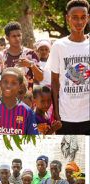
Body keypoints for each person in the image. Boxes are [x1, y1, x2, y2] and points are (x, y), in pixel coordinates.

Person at [48, 0, 90, 134]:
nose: (79, 22)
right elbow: (54, 82)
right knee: (67, 153)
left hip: (88, 115)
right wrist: (56, 112)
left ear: (88, 18)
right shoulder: (59, 46)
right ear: (67, 18)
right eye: (75, 17)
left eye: (83, 17)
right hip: (65, 116)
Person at [0, 67, 38, 135]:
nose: (8, 86)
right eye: (5, 82)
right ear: (0, 84)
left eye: (13, 83)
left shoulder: (27, 112)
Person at [0, 21, 43, 92]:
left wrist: (31, 65)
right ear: (7, 38)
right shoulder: (1, 56)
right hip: (8, 98)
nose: (17, 39)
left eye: (19, 35)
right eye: (14, 36)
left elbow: (40, 78)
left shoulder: (30, 54)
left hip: (28, 99)